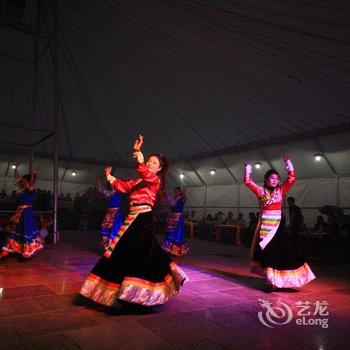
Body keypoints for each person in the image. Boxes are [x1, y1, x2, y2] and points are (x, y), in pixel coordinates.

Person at [80, 135, 188, 307]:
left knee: (127, 251)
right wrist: (109, 177)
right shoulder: (138, 180)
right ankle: (122, 290)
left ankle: (132, 291)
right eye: (150, 161)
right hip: (132, 218)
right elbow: (123, 186)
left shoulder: (154, 180)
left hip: (142, 218)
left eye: (154, 162)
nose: (151, 164)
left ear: (159, 168)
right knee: (136, 252)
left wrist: (138, 152)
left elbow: (144, 172)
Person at [244, 155, 315, 289]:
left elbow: (291, 179)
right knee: (266, 253)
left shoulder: (280, 190)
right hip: (265, 226)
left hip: (278, 226)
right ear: (266, 179)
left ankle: (275, 281)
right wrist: (248, 169)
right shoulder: (260, 191)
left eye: (277, 178)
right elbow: (248, 182)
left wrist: (288, 162)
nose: (275, 180)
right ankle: (270, 280)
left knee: (277, 252)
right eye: (272, 178)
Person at [1, 166, 43, 259]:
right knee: (15, 231)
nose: (22, 182)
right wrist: (15, 169)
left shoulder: (30, 190)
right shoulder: (22, 189)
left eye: (24, 181)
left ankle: (27, 251)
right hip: (20, 213)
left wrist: (33, 174)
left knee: (26, 232)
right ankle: (9, 249)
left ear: (28, 182)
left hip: (27, 215)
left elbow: (31, 182)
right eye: (22, 181)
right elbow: (18, 179)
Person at [97, 176, 123, 249]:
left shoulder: (119, 192)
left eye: (113, 184)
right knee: (106, 229)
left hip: (116, 213)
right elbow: (100, 189)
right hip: (109, 214)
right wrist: (98, 180)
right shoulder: (109, 193)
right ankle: (107, 246)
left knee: (115, 229)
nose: (112, 185)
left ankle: (114, 246)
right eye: (111, 183)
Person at [162, 187, 189, 256]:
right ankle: (168, 249)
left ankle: (176, 250)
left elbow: (185, 199)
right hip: (172, 217)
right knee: (170, 232)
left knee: (177, 234)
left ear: (180, 192)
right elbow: (164, 200)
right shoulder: (171, 198)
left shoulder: (181, 198)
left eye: (177, 191)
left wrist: (184, 193)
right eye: (175, 191)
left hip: (179, 218)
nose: (176, 192)